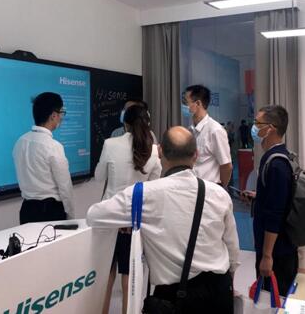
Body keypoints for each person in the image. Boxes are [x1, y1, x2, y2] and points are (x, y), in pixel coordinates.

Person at [87, 126, 239, 314]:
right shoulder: (219, 194)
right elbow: (232, 248)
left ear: (159, 152)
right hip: (219, 291)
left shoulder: (142, 195)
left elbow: (94, 215)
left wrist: (130, 220)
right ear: (196, 155)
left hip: (172, 297)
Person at [95, 105, 162, 314]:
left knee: (107, 272)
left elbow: (99, 176)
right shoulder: (153, 150)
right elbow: (154, 187)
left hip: (109, 217)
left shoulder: (110, 143)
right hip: (133, 220)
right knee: (129, 273)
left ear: (125, 123)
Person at [249, 105, 297, 296]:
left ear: (270, 128)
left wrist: (267, 256)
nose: (254, 127)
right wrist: (258, 197)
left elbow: (276, 213)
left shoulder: (276, 164)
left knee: (274, 300)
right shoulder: (277, 157)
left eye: (257, 123)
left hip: (277, 251)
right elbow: (277, 198)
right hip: (277, 247)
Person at [12, 92, 74, 224]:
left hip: (27, 210)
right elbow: (65, 187)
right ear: (53, 115)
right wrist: (70, 215)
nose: (62, 117)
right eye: (61, 113)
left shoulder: (20, 142)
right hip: (50, 212)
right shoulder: (53, 146)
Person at [181, 85, 232, 187]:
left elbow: (226, 166)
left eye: (185, 102)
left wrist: (221, 188)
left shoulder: (215, 130)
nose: (183, 106)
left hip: (209, 189)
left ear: (198, 103)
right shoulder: (190, 130)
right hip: (192, 188)